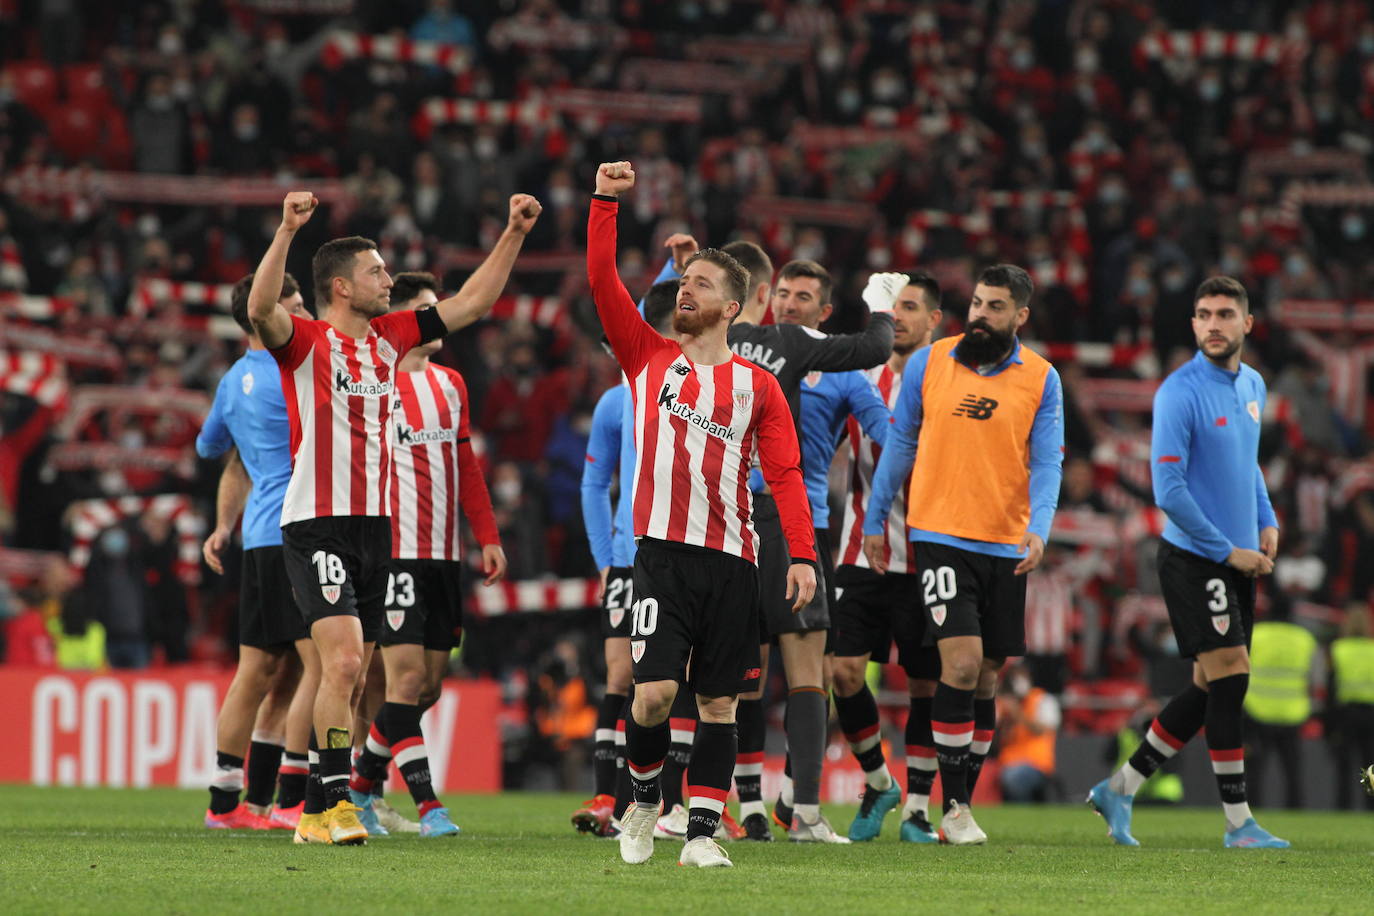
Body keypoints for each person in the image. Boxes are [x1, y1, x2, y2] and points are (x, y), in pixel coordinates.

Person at [248, 188, 540, 845]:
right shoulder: (305, 343)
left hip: (378, 531)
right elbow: (259, 308)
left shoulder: (393, 337)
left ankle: (322, 812)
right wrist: (286, 232)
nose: (391, 278)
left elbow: (472, 303)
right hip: (315, 523)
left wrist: (514, 233)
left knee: (355, 680)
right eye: (378, 271)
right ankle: (329, 806)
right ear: (343, 287)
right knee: (345, 665)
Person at [587, 161, 817, 868]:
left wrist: (803, 555)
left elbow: (784, 473)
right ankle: (646, 799)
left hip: (734, 562)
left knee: (720, 706)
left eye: (702, 285)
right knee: (652, 695)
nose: (686, 290)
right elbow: (602, 283)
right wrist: (604, 204)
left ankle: (701, 836)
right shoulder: (646, 358)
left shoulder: (758, 387)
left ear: (733, 308)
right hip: (659, 558)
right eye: (684, 283)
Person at [865, 264, 1065, 845]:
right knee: (959, 662)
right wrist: (878, 518)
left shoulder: (1042, 378)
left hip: (1005, 541)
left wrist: (1041, 528)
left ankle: (960, 804)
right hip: (940, 535)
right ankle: (952, 810)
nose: (980, 314)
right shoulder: (932, 361)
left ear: (1020, 315)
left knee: (986, 676)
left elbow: (1049, 461)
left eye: (995, 307)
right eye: (977, 303)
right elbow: (901, 442)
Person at [1087, 276, 1288, 849]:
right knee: (1233, 676)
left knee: (1206, 688)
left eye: (1226, 314)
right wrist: (1228, 550)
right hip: (1198, 558)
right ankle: (1238, 823)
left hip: (1240, 558)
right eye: (1203, 315)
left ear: (1247, 324)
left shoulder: (1253, 384)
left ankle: (1119, 789)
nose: (1213, 325)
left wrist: (1267, 518)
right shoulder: (1178, 391)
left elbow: (1247, 466)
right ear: (1193, 323)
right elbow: (1168, 488)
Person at [726, 249, 900, 844]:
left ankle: (790, 807)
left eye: (803, 298)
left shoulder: (834, 370)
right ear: (767, 299)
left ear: (823, 311)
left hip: (799, 519)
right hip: (764, 515)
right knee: (749, 670)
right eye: (784, 294)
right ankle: (754, 805)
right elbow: (877, 344)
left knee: (806, 668)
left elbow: (883, 430)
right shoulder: (765, 344)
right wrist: (880, 305)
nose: (791, 303)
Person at [347, 271, 507, 838]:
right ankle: (428, 805)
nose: (436, 316)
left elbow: (466, 466)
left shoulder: (452, 385)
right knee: (406, 683)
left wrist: (486, 534)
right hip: (395, 553)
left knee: (432, 685)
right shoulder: (376, 382)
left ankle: (360, 787)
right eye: (425, 308)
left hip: (445, 555)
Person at [828, 273, 945, 843]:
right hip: (860, 548)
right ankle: (879, 781)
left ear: (934, 321)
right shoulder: (858, 377)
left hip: (929, 552)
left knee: (926, 683)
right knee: (842, 670)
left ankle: (920, 807)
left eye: (910, 308)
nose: (897, 317)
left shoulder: (948, 382)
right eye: (890, 307)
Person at [197, 271, 312, 831]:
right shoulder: (292, 377)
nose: (303, 311)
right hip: (295, 533)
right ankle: (293, 798)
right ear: (267, 313)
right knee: (316, 665)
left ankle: (236, 802)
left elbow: (215, 448)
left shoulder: (234, 381)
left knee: (270, 672)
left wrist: (222, 525)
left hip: (258, 535)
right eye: (294, 303)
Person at [1243, 604, 1316, 809]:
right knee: (1293, 770)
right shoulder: (1304, 638)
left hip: (1257, 709)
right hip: (1293, 711)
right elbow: (1313, 677)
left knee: (1255, 769)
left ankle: (1251, 812)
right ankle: (1295, 810)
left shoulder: (1256, 634)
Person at [1327, 602, 1374, 810]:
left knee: (1344, 766)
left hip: (1345, 714)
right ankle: (1370, 806)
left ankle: (1343, 806)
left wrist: (1328, 721)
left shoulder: (1338, 648)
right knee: (1370, 767)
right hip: (1371, 714)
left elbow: (1331, 686)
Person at [996, 664, 1061, 802]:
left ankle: (1020, 815)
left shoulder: (1042, 699)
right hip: (1007, 762)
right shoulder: (1004, 702)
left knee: (1013, 778)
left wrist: (1017, 713)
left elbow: (1040, 730)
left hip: (1036, 762)